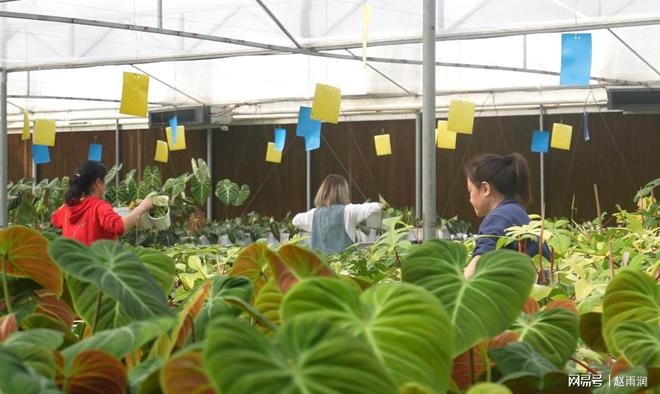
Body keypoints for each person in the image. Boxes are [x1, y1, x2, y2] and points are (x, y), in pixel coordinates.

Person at [463, 153, 551, 278]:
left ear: (485, 189)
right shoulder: (516, 212)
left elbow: (475, 269)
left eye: (470, 191)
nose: (469, 198)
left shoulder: (497, 217)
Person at [51, 161, 153, 246]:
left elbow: (54, 219)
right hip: (97, 266)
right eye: (105, 181)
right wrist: (143, 207)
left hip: (73, 267)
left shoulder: (67, 207)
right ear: (98, 182)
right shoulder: (99, 207)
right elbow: (120, 226)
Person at [292, 174, 383, 254]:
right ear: (344, 192)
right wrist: (383, 205)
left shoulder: (313, 214)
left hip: (319, 269)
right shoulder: (349, 211)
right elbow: (373, 207)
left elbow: (295, 220)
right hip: (343, 270)